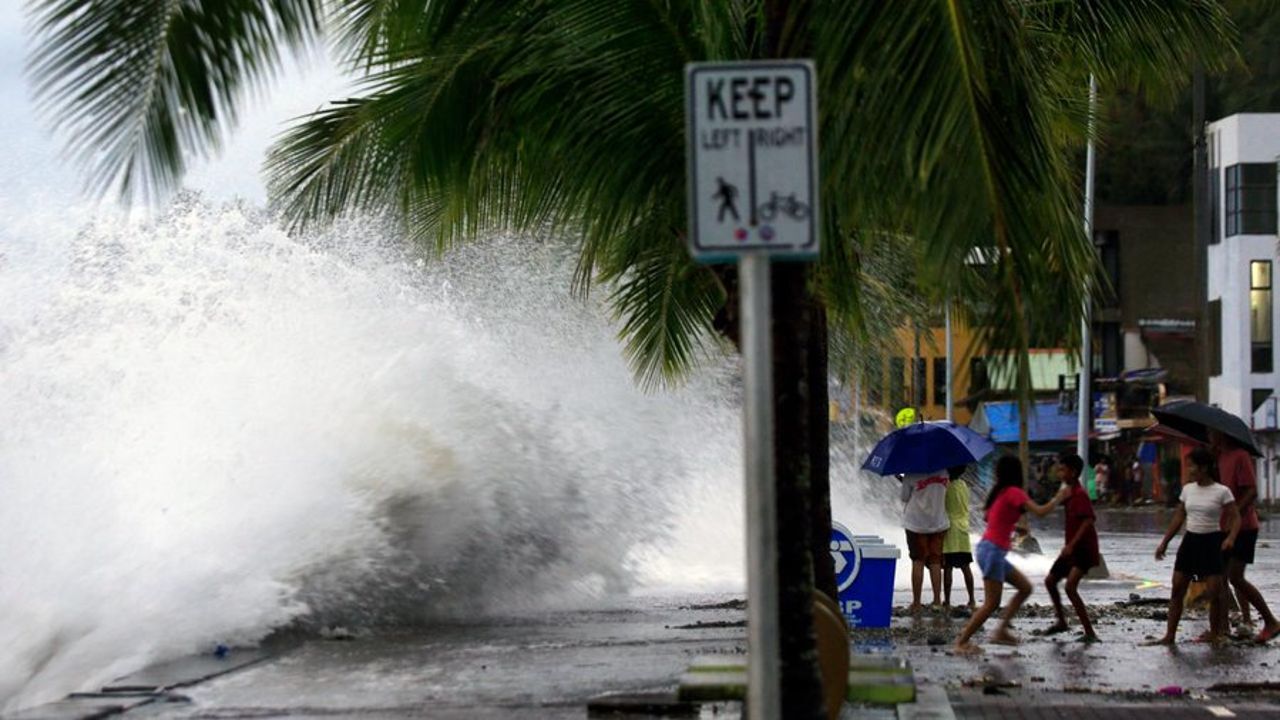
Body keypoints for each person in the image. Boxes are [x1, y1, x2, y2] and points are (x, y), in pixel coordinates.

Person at [954, 456, 1068, 653]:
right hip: (993, 552)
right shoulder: (1015, 492)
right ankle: (962, 642)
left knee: (1025, 587)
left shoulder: (999, 492)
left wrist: (1011, 526)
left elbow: (988, 517)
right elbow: (1040, 512)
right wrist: (1059, 497)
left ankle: (1001, 630)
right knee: (991, 603)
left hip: (988, 549)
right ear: (1017, 473)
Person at [1144, 447, 1241, 646]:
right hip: (1190, 541)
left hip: (1212, 541)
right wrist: (1165, 542)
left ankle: (1216, 633)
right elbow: (1180, 516)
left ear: (1204, 468)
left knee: (1215, 591)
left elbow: (1236, 517)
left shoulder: (1222, 491)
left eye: (1192, 467)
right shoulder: (1188, 489)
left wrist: (1230, 538)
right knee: (1177, 589)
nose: (1189, 471)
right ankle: (1169, 635)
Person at [1209, 430, 1280, 643]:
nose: (1209, 436)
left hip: (1244, 526)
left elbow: (1251, 490)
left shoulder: (1240, 455)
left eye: (1211, 433)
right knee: (1218, 578)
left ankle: (1270, 621)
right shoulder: (1219, 457)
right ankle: (1220, 629)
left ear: (1222, 434)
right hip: (1223, 526)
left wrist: (1235, 512)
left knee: (1235, 576)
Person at [1039, 453, 1100, 642]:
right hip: (1071, 548)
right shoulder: (1069, 492)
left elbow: (1089, 520)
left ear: (1073, 473)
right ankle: (1061, 621)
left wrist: (1071, 545)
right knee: (1050, 581)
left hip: (1083, 549)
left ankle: (1090, 632)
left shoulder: (1080, 494)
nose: (1059, 472)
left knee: (1070, 587)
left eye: (1062, 469)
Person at [901, 470, 950, 613]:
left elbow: (904, 498)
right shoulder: (944, 472)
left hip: (916, 524)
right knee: (936, 562)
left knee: (918, 561)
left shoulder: (911, 473)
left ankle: (916, 603)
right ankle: (937, 601)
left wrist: (904, 481)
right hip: (938, 522)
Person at [942, 465, 976, 610]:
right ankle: (972, 599)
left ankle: (947, 600)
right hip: (963, 529)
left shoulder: (946, 487)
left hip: (950, 530)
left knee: (948, 567)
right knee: (965, 567)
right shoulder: (964, 485)